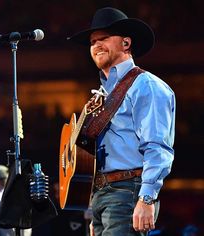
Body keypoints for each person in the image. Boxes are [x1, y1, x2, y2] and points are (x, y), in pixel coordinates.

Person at [68, 7, 176, 236]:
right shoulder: (101, 96)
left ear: (126, 43)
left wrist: (146, 199)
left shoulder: (146, 85)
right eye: (92, 41)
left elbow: (157, 147)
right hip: (102, 196)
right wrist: (93, 207)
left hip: (128, 192)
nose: (96, 45)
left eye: (104, 38)